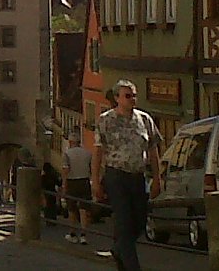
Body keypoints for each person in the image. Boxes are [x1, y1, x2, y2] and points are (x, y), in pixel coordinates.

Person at [92, 80, 162, 271]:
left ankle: (118, 249)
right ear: (117, 98)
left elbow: (153, 150)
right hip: (116, 176)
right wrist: (95, 180)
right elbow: (98, 152)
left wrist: (157, 178)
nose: (132, 99)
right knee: (123, 222)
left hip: (138, 176)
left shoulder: (144, 119)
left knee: (139, 221)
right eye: (128, 96)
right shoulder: (106, 120)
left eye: (134, 95)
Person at [62, 131, 93, 245]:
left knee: (72, 209)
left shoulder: (67, 154)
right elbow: (92, 168)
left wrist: (64, 185)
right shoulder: (88, 153)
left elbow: (66, 170)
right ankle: (84, 235)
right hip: (85, 181)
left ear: (70, 142)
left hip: (72, 181)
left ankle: (73, 233)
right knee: (84, 209)